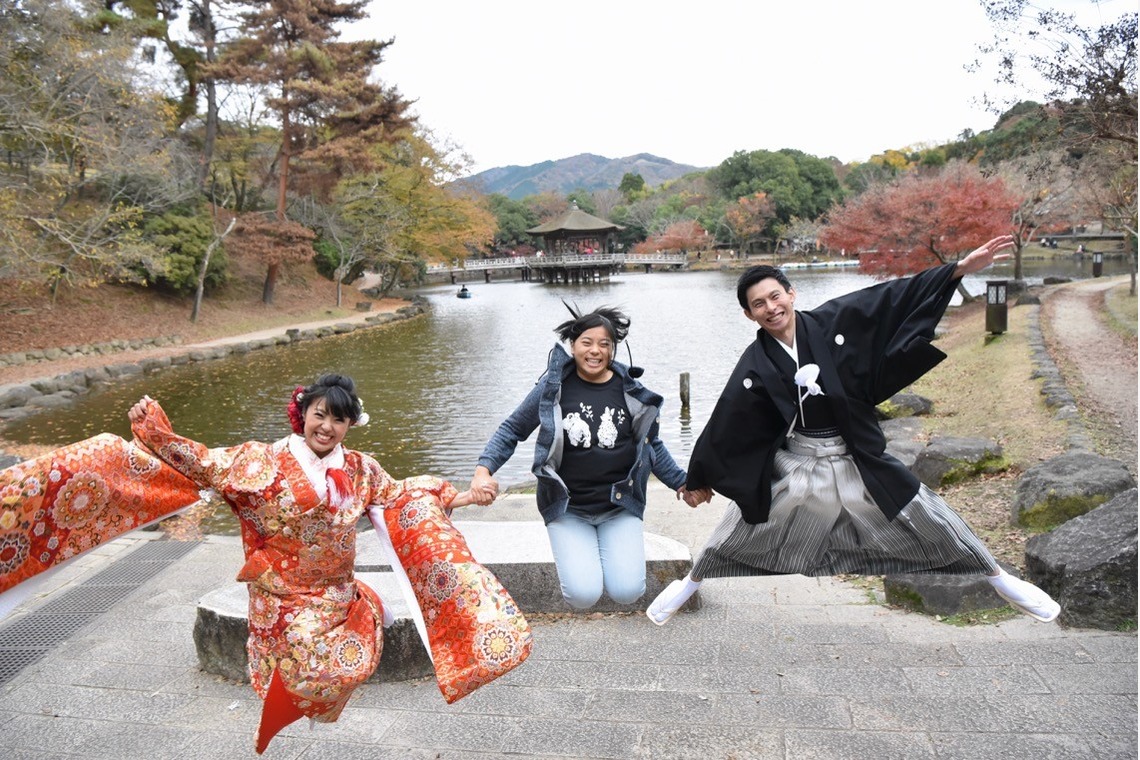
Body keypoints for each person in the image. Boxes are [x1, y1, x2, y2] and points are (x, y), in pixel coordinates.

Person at [2, 373, 532, 753]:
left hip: (334, 591)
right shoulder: (261, 460)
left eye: (339, 419)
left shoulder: (362, 469)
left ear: (350, 425)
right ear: (303, 414)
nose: (327, 426)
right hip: (279, 590)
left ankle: (362, 612)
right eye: (320, 414)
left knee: (338, 667)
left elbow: (400, 497)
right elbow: (207, 465)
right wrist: (159, 436)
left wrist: (460, 497)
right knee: (293, 667)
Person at [646, 236, 1061, 626]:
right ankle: (692, 582)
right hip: (799, 459)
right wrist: (697, 480)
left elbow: (889, 300)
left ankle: (996, 576)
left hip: (855, 453)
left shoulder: (832, 321)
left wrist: (957, 270)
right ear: (748, 314)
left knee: (926, 511)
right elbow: (728, 420)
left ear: (791, 294)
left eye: (775, 296)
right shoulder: (756, 361)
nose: (770, 308)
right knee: (741, 523)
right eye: (758, 304)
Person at [471, 304, 701, 610]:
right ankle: (583, 556)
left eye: (604, 344)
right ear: (572, 345)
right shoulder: (553, 388)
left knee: (628, 591)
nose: (595, 351)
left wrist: (682, 483)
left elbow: (651, 443)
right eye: (587, 343)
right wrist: (484, 469)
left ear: (614, 349)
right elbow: (514, 428)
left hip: (619, 505)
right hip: (568, 508)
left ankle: (610, 552)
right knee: (583, 595)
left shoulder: (630, 391)